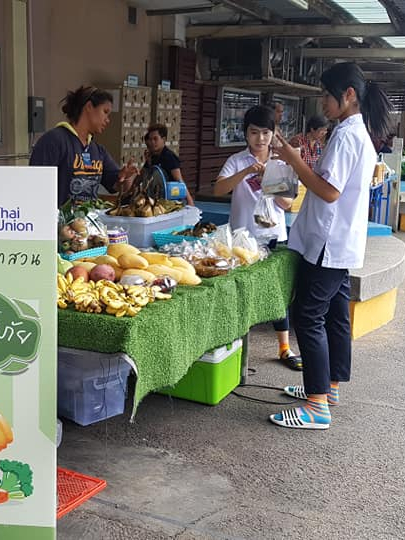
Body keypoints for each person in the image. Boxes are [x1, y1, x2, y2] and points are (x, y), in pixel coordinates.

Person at [268, 62, 392, 430]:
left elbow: (328, 191)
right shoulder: (354, 132)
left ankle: (316, 405)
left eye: (326, 94)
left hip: (327, 244)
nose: (322, 101)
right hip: (338, 242)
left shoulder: (347, 136)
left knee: (308, 316)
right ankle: (328, 386)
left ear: (348, 95)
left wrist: (294, 160)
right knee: (336, 314)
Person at [214, 105, 302, 371]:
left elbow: (287, 204)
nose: (260, 138)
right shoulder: (236, 160)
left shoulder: (282, 163)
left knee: (276, 293)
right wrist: (245, 172)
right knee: (239, 294)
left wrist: (269, 178)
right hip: (241, 241)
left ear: (274, 133)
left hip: (273, 238)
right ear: (245, 133)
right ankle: (235, 348)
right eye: (254, 132)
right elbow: (219, 189)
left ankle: (284, 348)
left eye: (266, 132)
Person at [30, 85, 138, 208]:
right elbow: (35, 185)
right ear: (89, 107)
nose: (107, 120)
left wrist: (126, 177)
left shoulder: (98, 150)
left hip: (88, 218)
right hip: (60, 219)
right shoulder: (53, 140)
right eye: (105, 112)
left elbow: (117, 185)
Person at [143, 123, 194, 206]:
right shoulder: (152, 156)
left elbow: (179, 179)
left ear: (163, 139)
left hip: (170, 200)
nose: (152, 142)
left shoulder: (169, 157)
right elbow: (143, 175)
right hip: (155, 199)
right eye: (150, 139)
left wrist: (190, 201)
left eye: (155, 139)